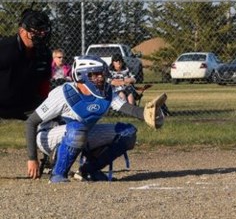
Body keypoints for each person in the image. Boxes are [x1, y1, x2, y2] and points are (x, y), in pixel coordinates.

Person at [24, 57, 166, 183]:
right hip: (47, 136)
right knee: (77, 129)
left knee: (127, 133)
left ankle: (88, 170)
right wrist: (32, 158)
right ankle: (58, 174)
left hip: (80, 133)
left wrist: (149, 114)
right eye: (95, 74)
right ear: (81, 76)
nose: (101, 77)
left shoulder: (105, 92)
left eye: (101, 73)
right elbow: (31, 122)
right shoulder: (64, 93)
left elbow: (128, 108)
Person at [0, 8, 53, 120]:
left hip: (26, 106)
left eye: (44, 30)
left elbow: (44, 86)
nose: (42, 34)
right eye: (37, 31)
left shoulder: (44, 53)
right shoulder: (4, 49)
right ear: (22, 31)